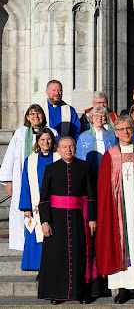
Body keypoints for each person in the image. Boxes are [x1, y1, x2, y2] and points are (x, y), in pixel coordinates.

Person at [96, 116, 134, 304]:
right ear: (116, 132)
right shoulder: (110, 155)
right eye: (121, 129)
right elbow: (103, 189)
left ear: (133, 129)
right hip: (117, 210)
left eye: (129, 128)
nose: (126, 132)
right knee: (120, 243)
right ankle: (122, 289)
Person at [37, 137, 99, 304]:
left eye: (71, 146)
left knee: (80, 255)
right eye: (64, 147)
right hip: (56, 221)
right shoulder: (50, 169)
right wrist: (45, 222)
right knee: (57, 257)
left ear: (76, 148)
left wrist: (92, 218)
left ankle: (82, 293)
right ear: (58, 150)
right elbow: (44, 199)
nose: (68, 150)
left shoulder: (85, 167)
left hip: (80, 219)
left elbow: (92, 196)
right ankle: (57, 294)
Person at [0, 104, 57, 251]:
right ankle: (24, 245)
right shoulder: (20, 133)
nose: (35, 117)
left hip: (45, 179)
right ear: (27, 117)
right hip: (22, 180)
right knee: (23, 209)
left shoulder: (52, 132)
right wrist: (9, 181)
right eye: (32, 114)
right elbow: (11, 157)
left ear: (43, 116)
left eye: (38, 114)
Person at [19, 129, 60, 273]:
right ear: (37, 142)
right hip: (36, 206)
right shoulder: (30, 160)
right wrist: (26, 207)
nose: (46, 142)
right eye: (42, 139)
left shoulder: (59, 157)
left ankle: (55, 267)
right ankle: (41, 269)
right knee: (37, 235)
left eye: (49, 139)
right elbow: (25, 185)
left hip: (56, 203)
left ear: (53, 141)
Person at [76, 106, 118, 179]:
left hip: (107, 174)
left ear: (106, 118)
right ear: (92, 117)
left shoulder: (112, 136)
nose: (99, 118)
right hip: (89, 175)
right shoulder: (83, 137)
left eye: (102, 115)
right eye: (96, 115)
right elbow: (78, 157)